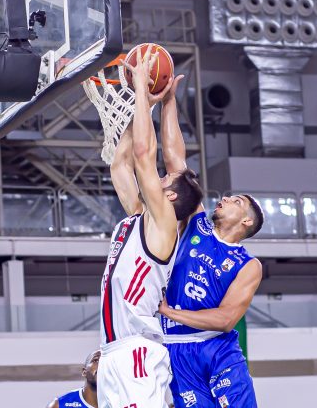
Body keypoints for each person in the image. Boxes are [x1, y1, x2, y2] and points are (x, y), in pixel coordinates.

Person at [97, 46, 204, 408]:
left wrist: (142, 90)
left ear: (170, 197)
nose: (157, 176)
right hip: (113, 352)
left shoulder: (164, 223)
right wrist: (146, 107)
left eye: (164, 179)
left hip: (136, 353)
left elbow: (145, 155)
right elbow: (120, 165)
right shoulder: (138, 217)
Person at [157, 75, 264, 408]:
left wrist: (169, 312)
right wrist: (169, 101)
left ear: (246, 221)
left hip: (217, 348)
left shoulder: (248, 265)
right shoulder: (197, 222)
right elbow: (176, 162)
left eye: (236, 201)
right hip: (176, 349)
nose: (226, 198)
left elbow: (225, 319)